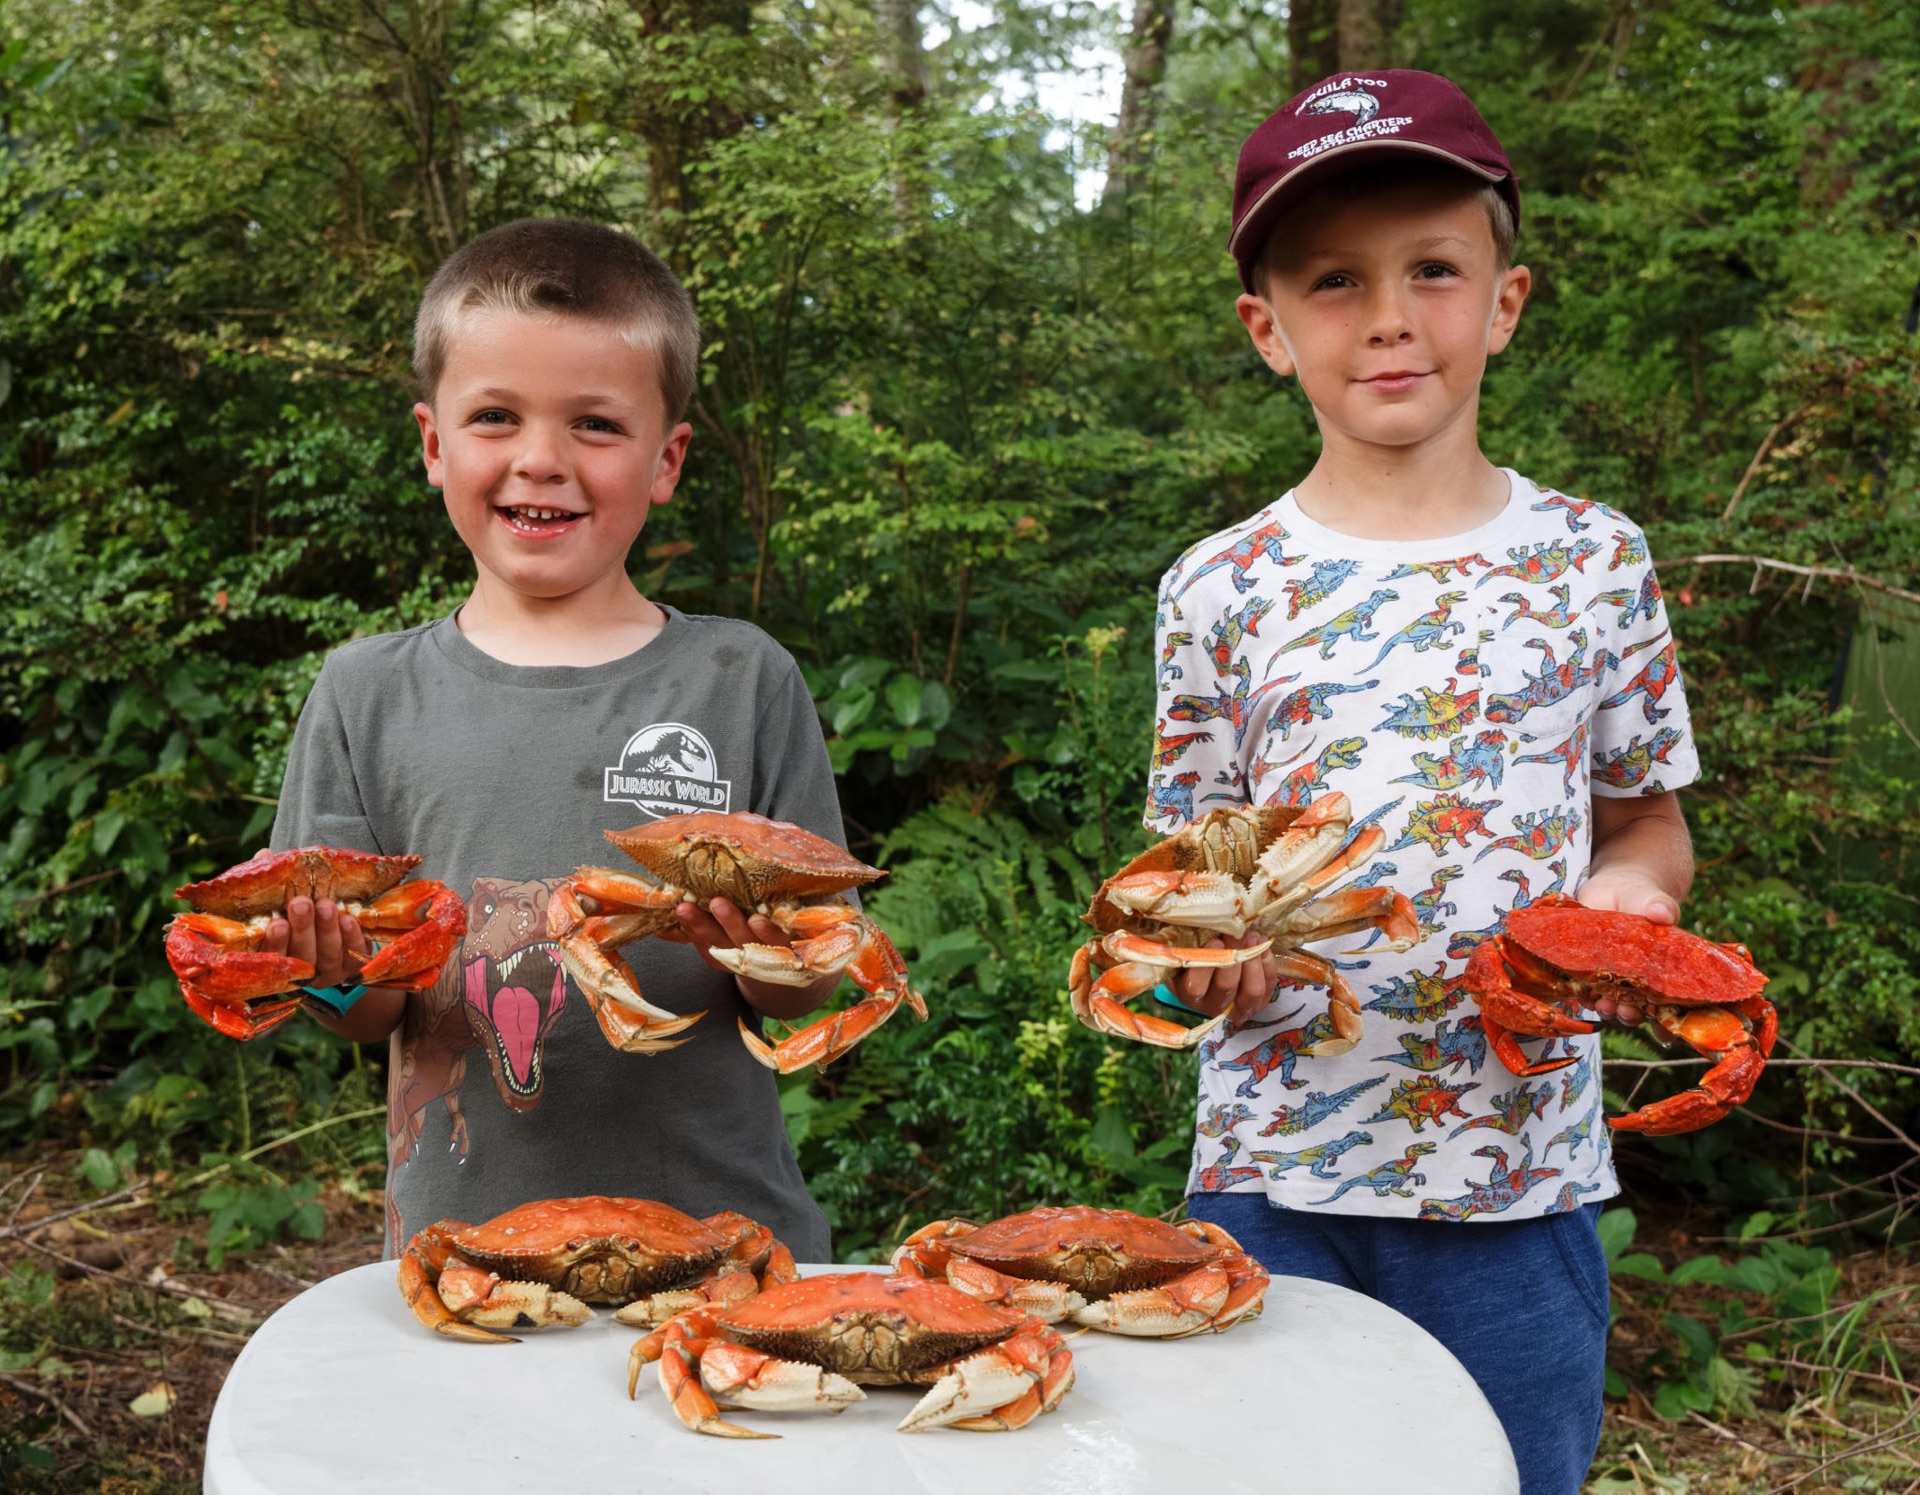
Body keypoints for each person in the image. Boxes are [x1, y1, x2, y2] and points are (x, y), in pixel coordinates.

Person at [1148, 72, 1697, 1495]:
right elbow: (1181, 876)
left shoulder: (1596, 559)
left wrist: (1629, 906)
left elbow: (1645, 822)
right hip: (1272, 1175)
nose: (1389, 314)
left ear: (1505, 300)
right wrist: (1198, 954)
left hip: (1523, 1177)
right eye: (1336, 279)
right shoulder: (1220, 585)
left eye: (1432, 269)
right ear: (1269, 330)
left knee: (1512, 1472)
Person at [259, 218, 840, 1262]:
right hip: (462, 1255)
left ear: (666, 461)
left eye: (595, 425)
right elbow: (365, 1012)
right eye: (495, 416)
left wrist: (763, 949)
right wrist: (331, 967)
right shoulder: (364, 693)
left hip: (723, 1246)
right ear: (434, 445)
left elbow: (807, 990)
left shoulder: (743, 678)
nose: (542, 459)